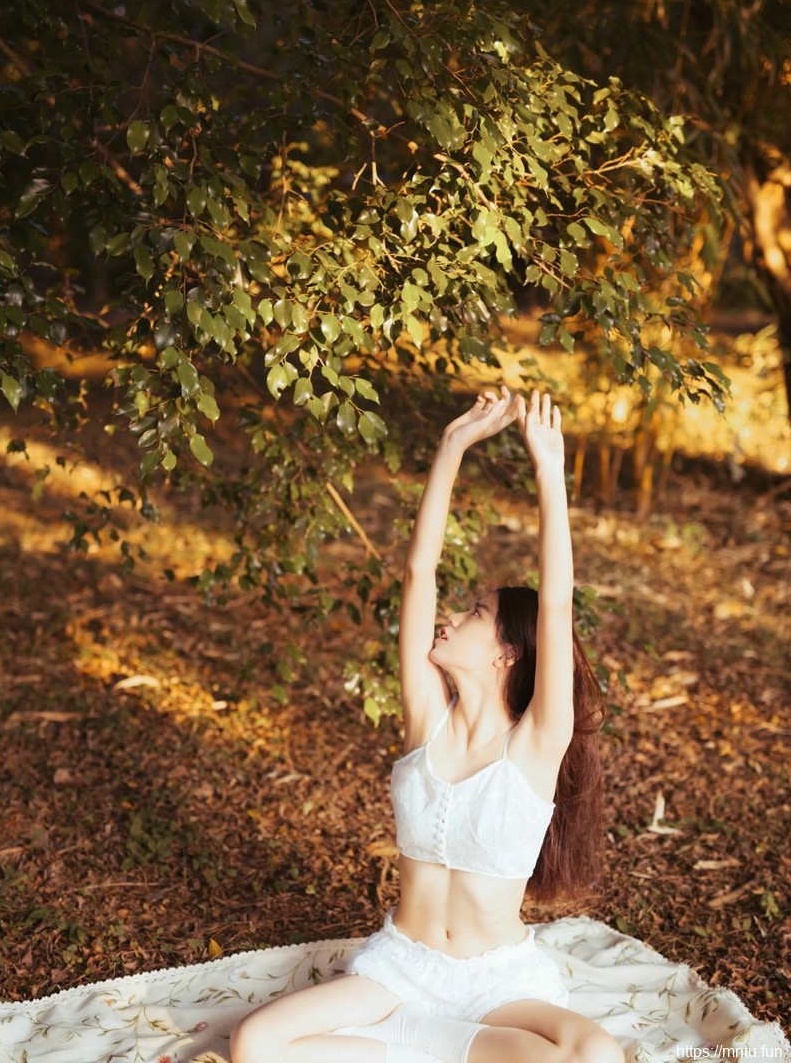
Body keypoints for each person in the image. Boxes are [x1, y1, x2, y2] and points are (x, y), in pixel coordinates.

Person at [230, 389, 625, 1063]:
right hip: (398, 972)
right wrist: (451, 448)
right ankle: (441, 1050)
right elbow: (418, 571)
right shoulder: (425, 722)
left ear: (509, 651)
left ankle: (416, 1049)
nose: (451, 618)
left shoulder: (534, 743)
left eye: (472, 614)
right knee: (254, 1041)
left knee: (594, 1053)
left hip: (496, 985)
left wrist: (548, 472)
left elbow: (555, 608)